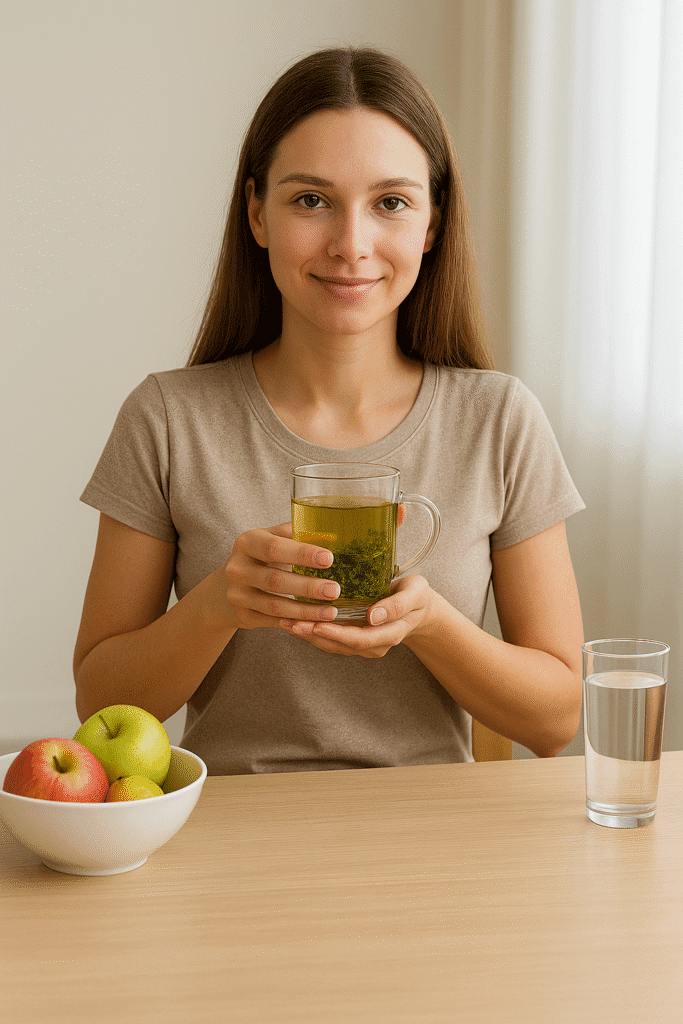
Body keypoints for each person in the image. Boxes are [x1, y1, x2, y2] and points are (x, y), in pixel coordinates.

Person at [74, 46, 585, 774]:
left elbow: (553, 721)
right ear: (257, 213)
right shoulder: (166, 418)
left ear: (432, 225)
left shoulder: (499, 419)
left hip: (432, 838)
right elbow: (100, 706)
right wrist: (220, 601)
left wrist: (431, 624)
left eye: (391, 202)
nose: (351, 245)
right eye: (310, 200)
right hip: (227, 834)